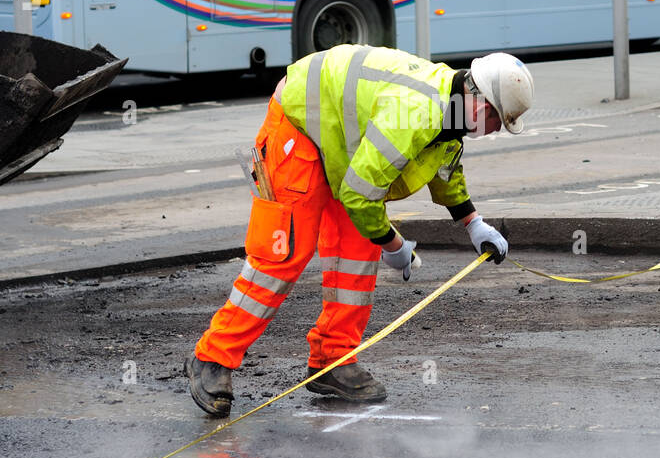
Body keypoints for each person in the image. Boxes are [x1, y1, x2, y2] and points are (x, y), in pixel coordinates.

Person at [185, 46, 535, 416]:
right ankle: (212, 358)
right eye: (501, 123)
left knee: (356, 251)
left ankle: (332, 361)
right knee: (284, 254)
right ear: (484, 108)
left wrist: (473, 223)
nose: (495, 132)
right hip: (299, 126)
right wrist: (394, 244)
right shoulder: (415, 113)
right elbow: (360, 195)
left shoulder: (454, 109)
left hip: (340, 144)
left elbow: (444, 167)